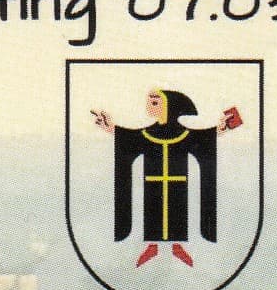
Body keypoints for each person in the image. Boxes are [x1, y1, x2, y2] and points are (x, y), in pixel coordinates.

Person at [92, 89, 235, 267]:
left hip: (178, 183)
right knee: (153, 211)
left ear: (169, 106)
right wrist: (111, 127)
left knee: (178, 211)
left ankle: (177, 246)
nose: (149, 106)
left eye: (154, 103)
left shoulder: (183, 135)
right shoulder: (147, 134)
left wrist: (222, 127)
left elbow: (202, 138)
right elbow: (130, 138)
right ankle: (152, 246)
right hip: (153, 183)